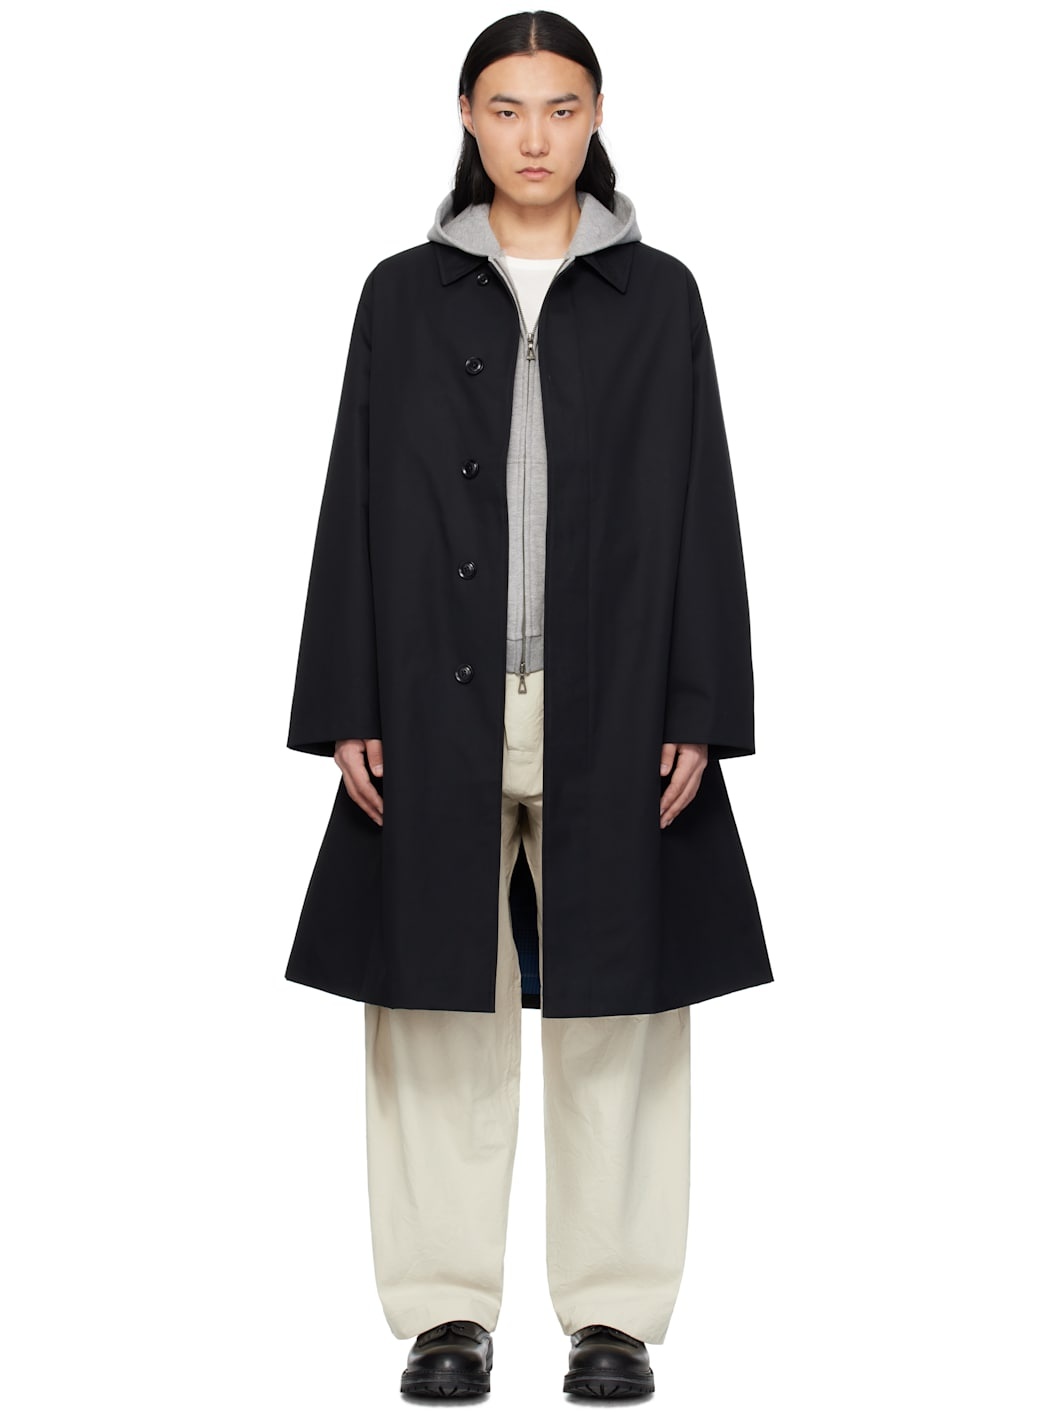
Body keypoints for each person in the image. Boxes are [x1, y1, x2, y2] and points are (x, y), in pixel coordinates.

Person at [284, 8, 773, 1399]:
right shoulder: (401, 296)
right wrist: (347, 698)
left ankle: (613, 1316)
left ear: (597, 115)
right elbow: (352, 494)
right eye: (507, 109)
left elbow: (704, 501)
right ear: (467, 119)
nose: (536, 137)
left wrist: (699, 701)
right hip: (428, 699)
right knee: (436, 1013)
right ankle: (446, 1313)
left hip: (615, 701)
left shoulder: (659, 296)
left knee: (622, 1013)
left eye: (562, 108)